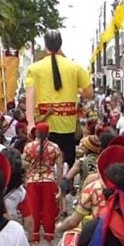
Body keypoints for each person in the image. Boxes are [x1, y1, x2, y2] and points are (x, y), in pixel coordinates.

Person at [24, 30, 93, 168]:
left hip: (43, 125)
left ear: (45, 45)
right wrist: (75, 88)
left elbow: (30, 97)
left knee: (43, 164)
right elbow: (89, 93)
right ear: (61, 44)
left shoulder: (34, 68)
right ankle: (67, 188)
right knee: (68, 163)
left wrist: (30, 123)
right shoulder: (75, 67)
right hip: (68, 126)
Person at [22, 122, 63, 246]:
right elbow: (60, 167)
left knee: (34, 208)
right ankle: (49, 239)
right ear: (48, 133)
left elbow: (24, 165)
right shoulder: (54, 147)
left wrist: (25, 180)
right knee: (48, 209)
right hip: (49, 180)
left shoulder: (28, 147)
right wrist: (58, 183)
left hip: (32, 181)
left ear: (36, 133)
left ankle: (34, 239)